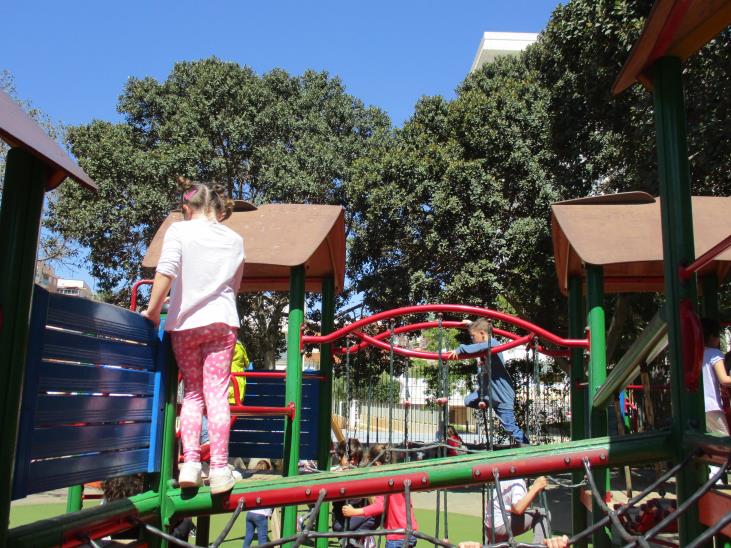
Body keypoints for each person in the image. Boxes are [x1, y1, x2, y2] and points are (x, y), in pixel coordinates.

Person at [142, 177, 244, 494]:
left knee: (193, 395)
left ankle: (190, 464)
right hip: (221, 321)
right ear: (216, 207)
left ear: (187, 207)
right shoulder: (234, 239)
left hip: (185, 324)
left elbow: (166, 270)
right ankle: (219, 470)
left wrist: (152, 311)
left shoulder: (180, 231)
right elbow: (234, 285)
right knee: (217, 395)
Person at [447, 318, 528, 445]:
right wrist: (470, 325)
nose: (472, 339)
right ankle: (485, 403)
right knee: (468, 401)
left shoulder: (494, 343)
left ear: (483, 334)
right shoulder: (483, 347)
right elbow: (480, 337)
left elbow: (481, 344)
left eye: (473, 336)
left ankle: (526, 445)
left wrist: (460, 349)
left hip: (502, 396)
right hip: (487, 394)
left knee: (509, 426)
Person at [343, 444, 418, 548]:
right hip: (410, 531)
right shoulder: (398, 475)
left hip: (397, 536)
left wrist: (354, 512)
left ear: (377, 464)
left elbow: (380, 506)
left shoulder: (385, 480)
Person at [484, 476, 550, 544]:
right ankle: (539, 544)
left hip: (489, 528)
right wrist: (536, 487)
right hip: (500, 527)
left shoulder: (506, 477)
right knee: (543, 513)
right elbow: (517, 509)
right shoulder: (518, 481)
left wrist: (531, 489)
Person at [243, 461, 273, 547]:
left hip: (250, 513)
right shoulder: (268, 482)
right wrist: (270, 512)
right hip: (261, 514)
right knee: (262, 539)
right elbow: (271, 498)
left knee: (248, 536)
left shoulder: (252, 481)